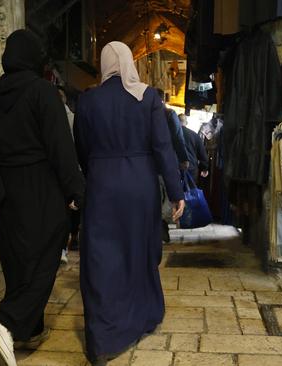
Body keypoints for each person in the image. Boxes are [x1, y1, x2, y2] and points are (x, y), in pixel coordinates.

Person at [0, 30, 84, 366]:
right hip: (40, 186)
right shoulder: (42, 92)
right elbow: (60, 148)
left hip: (3, 190)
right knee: (46, 256)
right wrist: (77, 190)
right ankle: (6, 323)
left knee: (18, 261)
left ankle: (30, 329)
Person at [74, 41, 185, 365]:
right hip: (139, 184)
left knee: (101, 256)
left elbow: (81, 146)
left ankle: (104, 339)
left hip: (102, 184)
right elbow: (163, 148)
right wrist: (176, 192)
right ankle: (142, 317)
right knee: (139, 250)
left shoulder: (88, 100)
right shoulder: (148, 97)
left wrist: (95, 170)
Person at [155, 88, 188, 242]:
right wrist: (183, 158)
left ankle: (157, 226)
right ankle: (162, 226)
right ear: (164, 99)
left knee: (156, 195)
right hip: (167, 161)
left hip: (149, 164)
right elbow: (178, 138)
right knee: (168, 196)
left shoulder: (144, 114)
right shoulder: (169, 114)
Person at [58, 85, 80, 262]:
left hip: (61, 172)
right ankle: (63, 247)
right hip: (68, 171)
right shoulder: (73, 119)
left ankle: (62, 247)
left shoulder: (70, 119)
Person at [179, 113, 210, 182]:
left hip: (175, 169)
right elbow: (202, 154)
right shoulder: (194, 135)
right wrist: (204, 168)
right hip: (191, 170)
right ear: (186, 123)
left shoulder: (171, 134)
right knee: (190, 192)